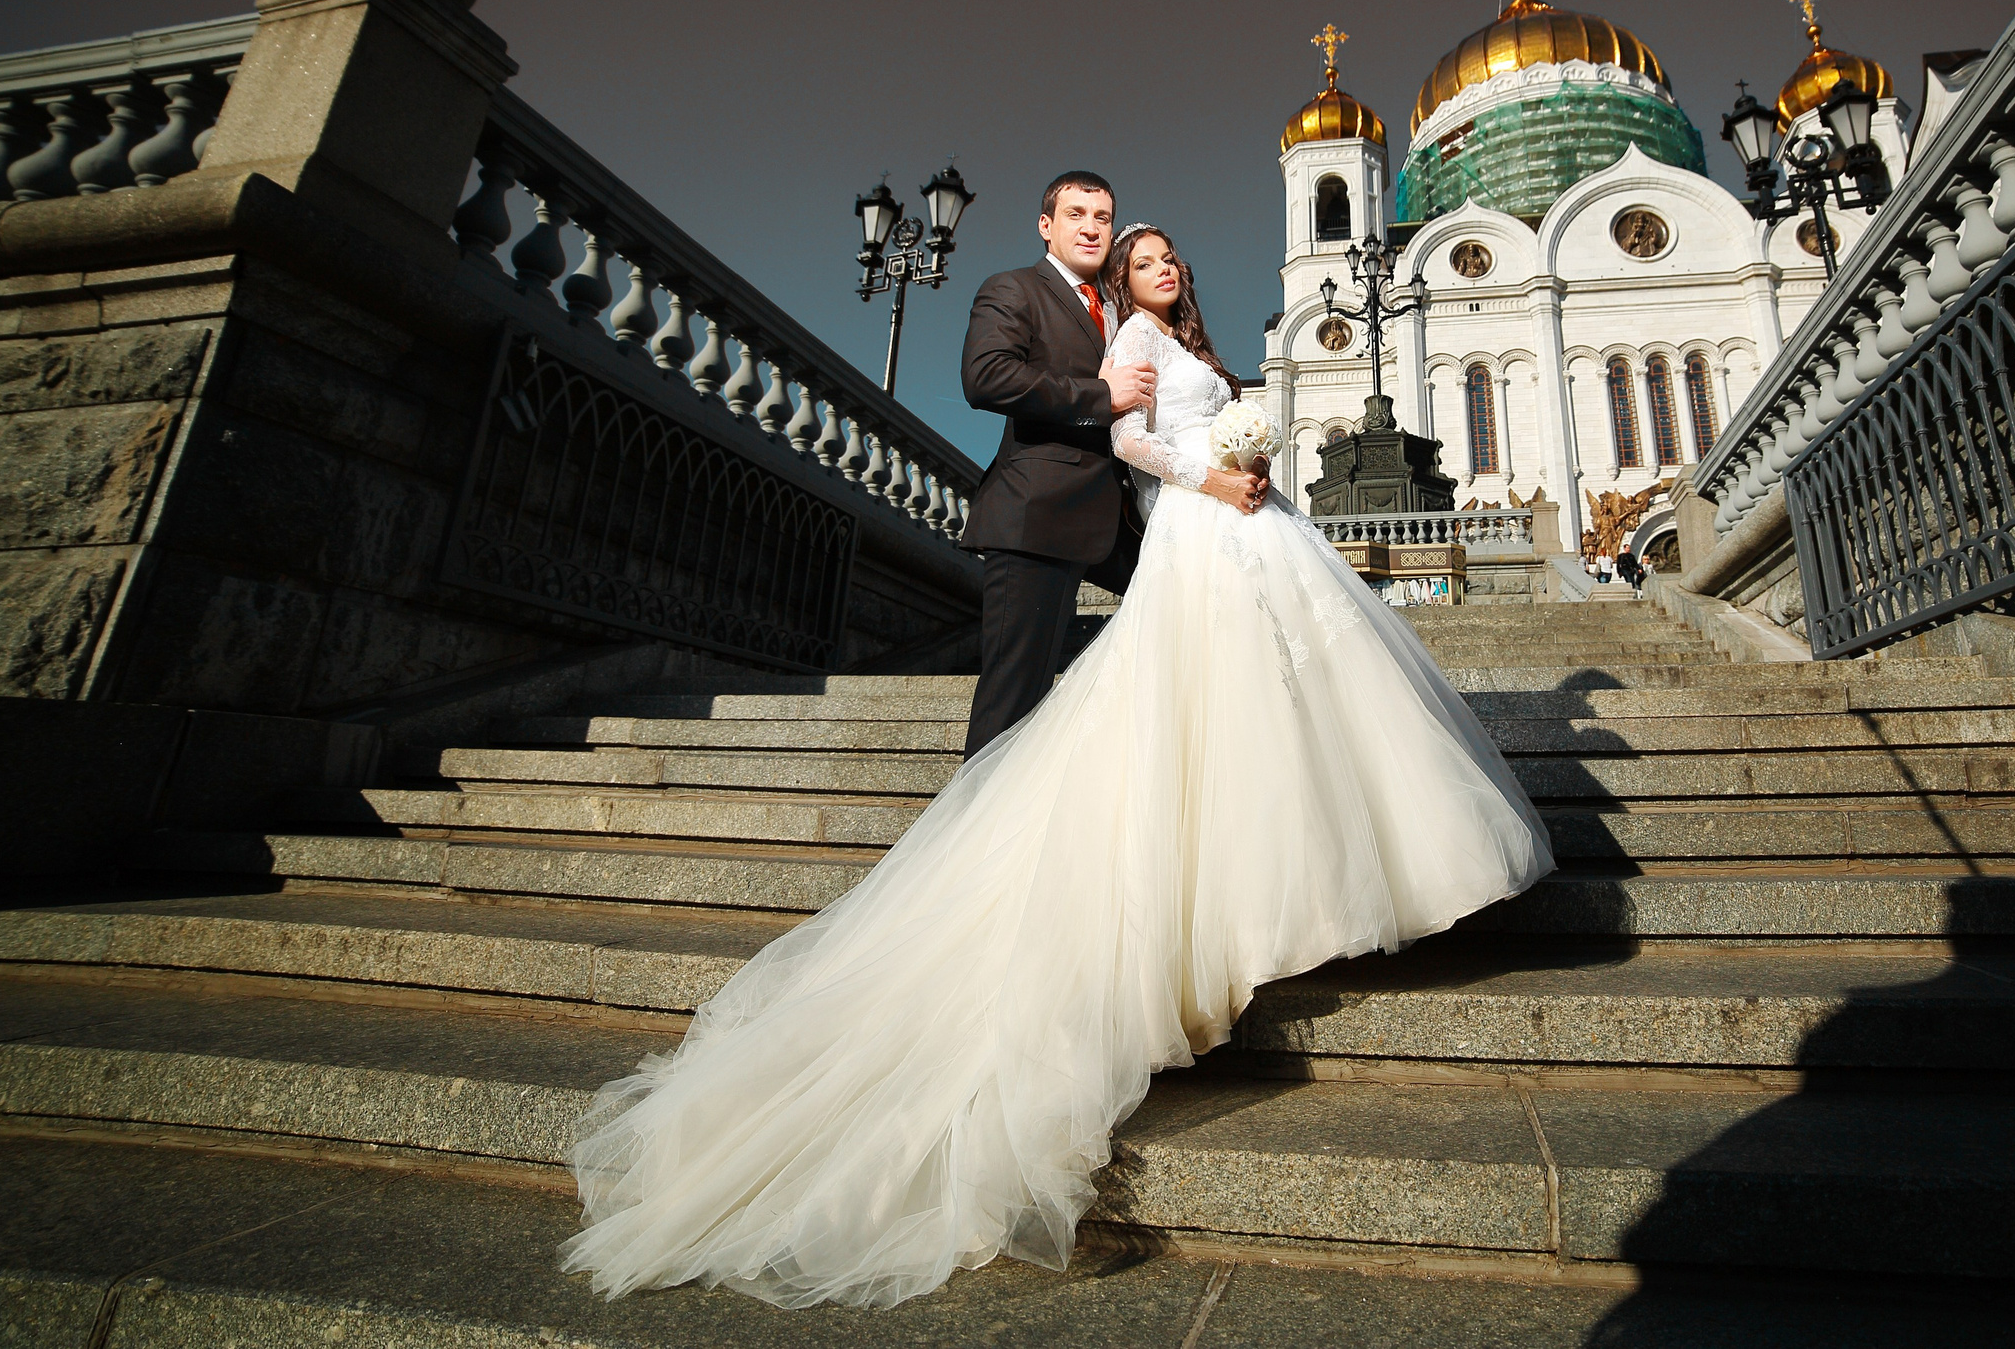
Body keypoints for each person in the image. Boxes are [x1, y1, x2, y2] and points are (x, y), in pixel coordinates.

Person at [559, 222, 1554, 1311]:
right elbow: (1128, 442)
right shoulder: (1129, 335)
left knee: (1290, 699)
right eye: (1142, 259)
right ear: (1118, 282)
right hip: (1199, 527)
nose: (1164, 267)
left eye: (1173, 255)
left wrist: (1247, 462)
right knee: (1206, 707)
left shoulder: (1199, 345)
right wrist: (1211, 479)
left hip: (1247, 527)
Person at [952, 170, 1154, 757]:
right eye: (1076, 215)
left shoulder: (1120, 308)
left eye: (1102, 218)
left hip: (1119, 518)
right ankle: (974, 840)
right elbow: (986, 378)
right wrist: (1099, 395)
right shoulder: (1014, 289)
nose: (1091, 228)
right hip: (1035, 518)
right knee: (1015, 699)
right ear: (1046, 226)